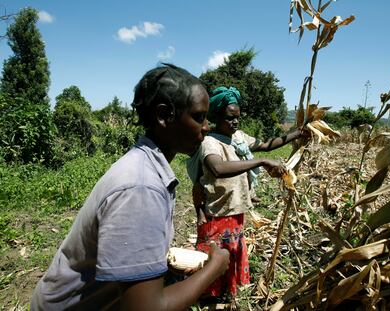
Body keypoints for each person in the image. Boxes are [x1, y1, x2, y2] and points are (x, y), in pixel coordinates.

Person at [31, 64, 230, 311]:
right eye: (199, 116)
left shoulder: (144, 165)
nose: (207, 125)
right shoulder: (141, 188)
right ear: (163, 115)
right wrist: (214, 268)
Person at [187, 86, 307, 303]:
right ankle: (208, 295)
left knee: (232, 250)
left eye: (238, 118)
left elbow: (268, 146)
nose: (235, 122)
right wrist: (261, 161)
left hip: (234, 206)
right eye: (229, 118)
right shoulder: (209, 143)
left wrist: (297, 133)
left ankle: (228, 291)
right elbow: (218, 168)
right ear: (217, 117)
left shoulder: (239, 138)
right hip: (216, 209)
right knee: (216, 254)